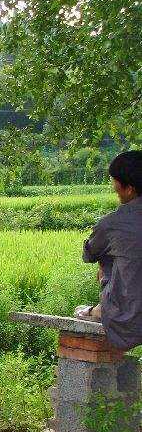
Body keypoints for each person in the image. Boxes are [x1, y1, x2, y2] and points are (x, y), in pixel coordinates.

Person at [77, 150, 142, 350]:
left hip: (129, 315)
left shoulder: (113, 223)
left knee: (106, 259)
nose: (114, 188)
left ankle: (101, 310)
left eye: (115, 184)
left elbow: (89, 254)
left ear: (129, 189)